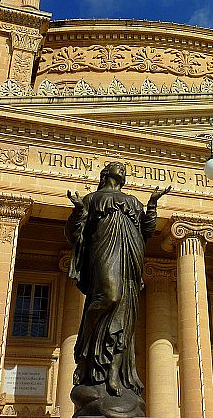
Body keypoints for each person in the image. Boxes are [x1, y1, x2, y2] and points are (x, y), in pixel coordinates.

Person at [66, 162, 170, 398]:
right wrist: (78, 211)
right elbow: (75, 234)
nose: (121, 168)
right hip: (104, 252)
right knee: (110, 296)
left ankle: (114, 374)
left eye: (122, 167)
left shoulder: (133, 201)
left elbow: (146, 232)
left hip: (130, 257)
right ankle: (86, 346)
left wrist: (152, 204)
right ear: (105, 174)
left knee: (126, 315)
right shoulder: (92, 199)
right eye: (115, 166)